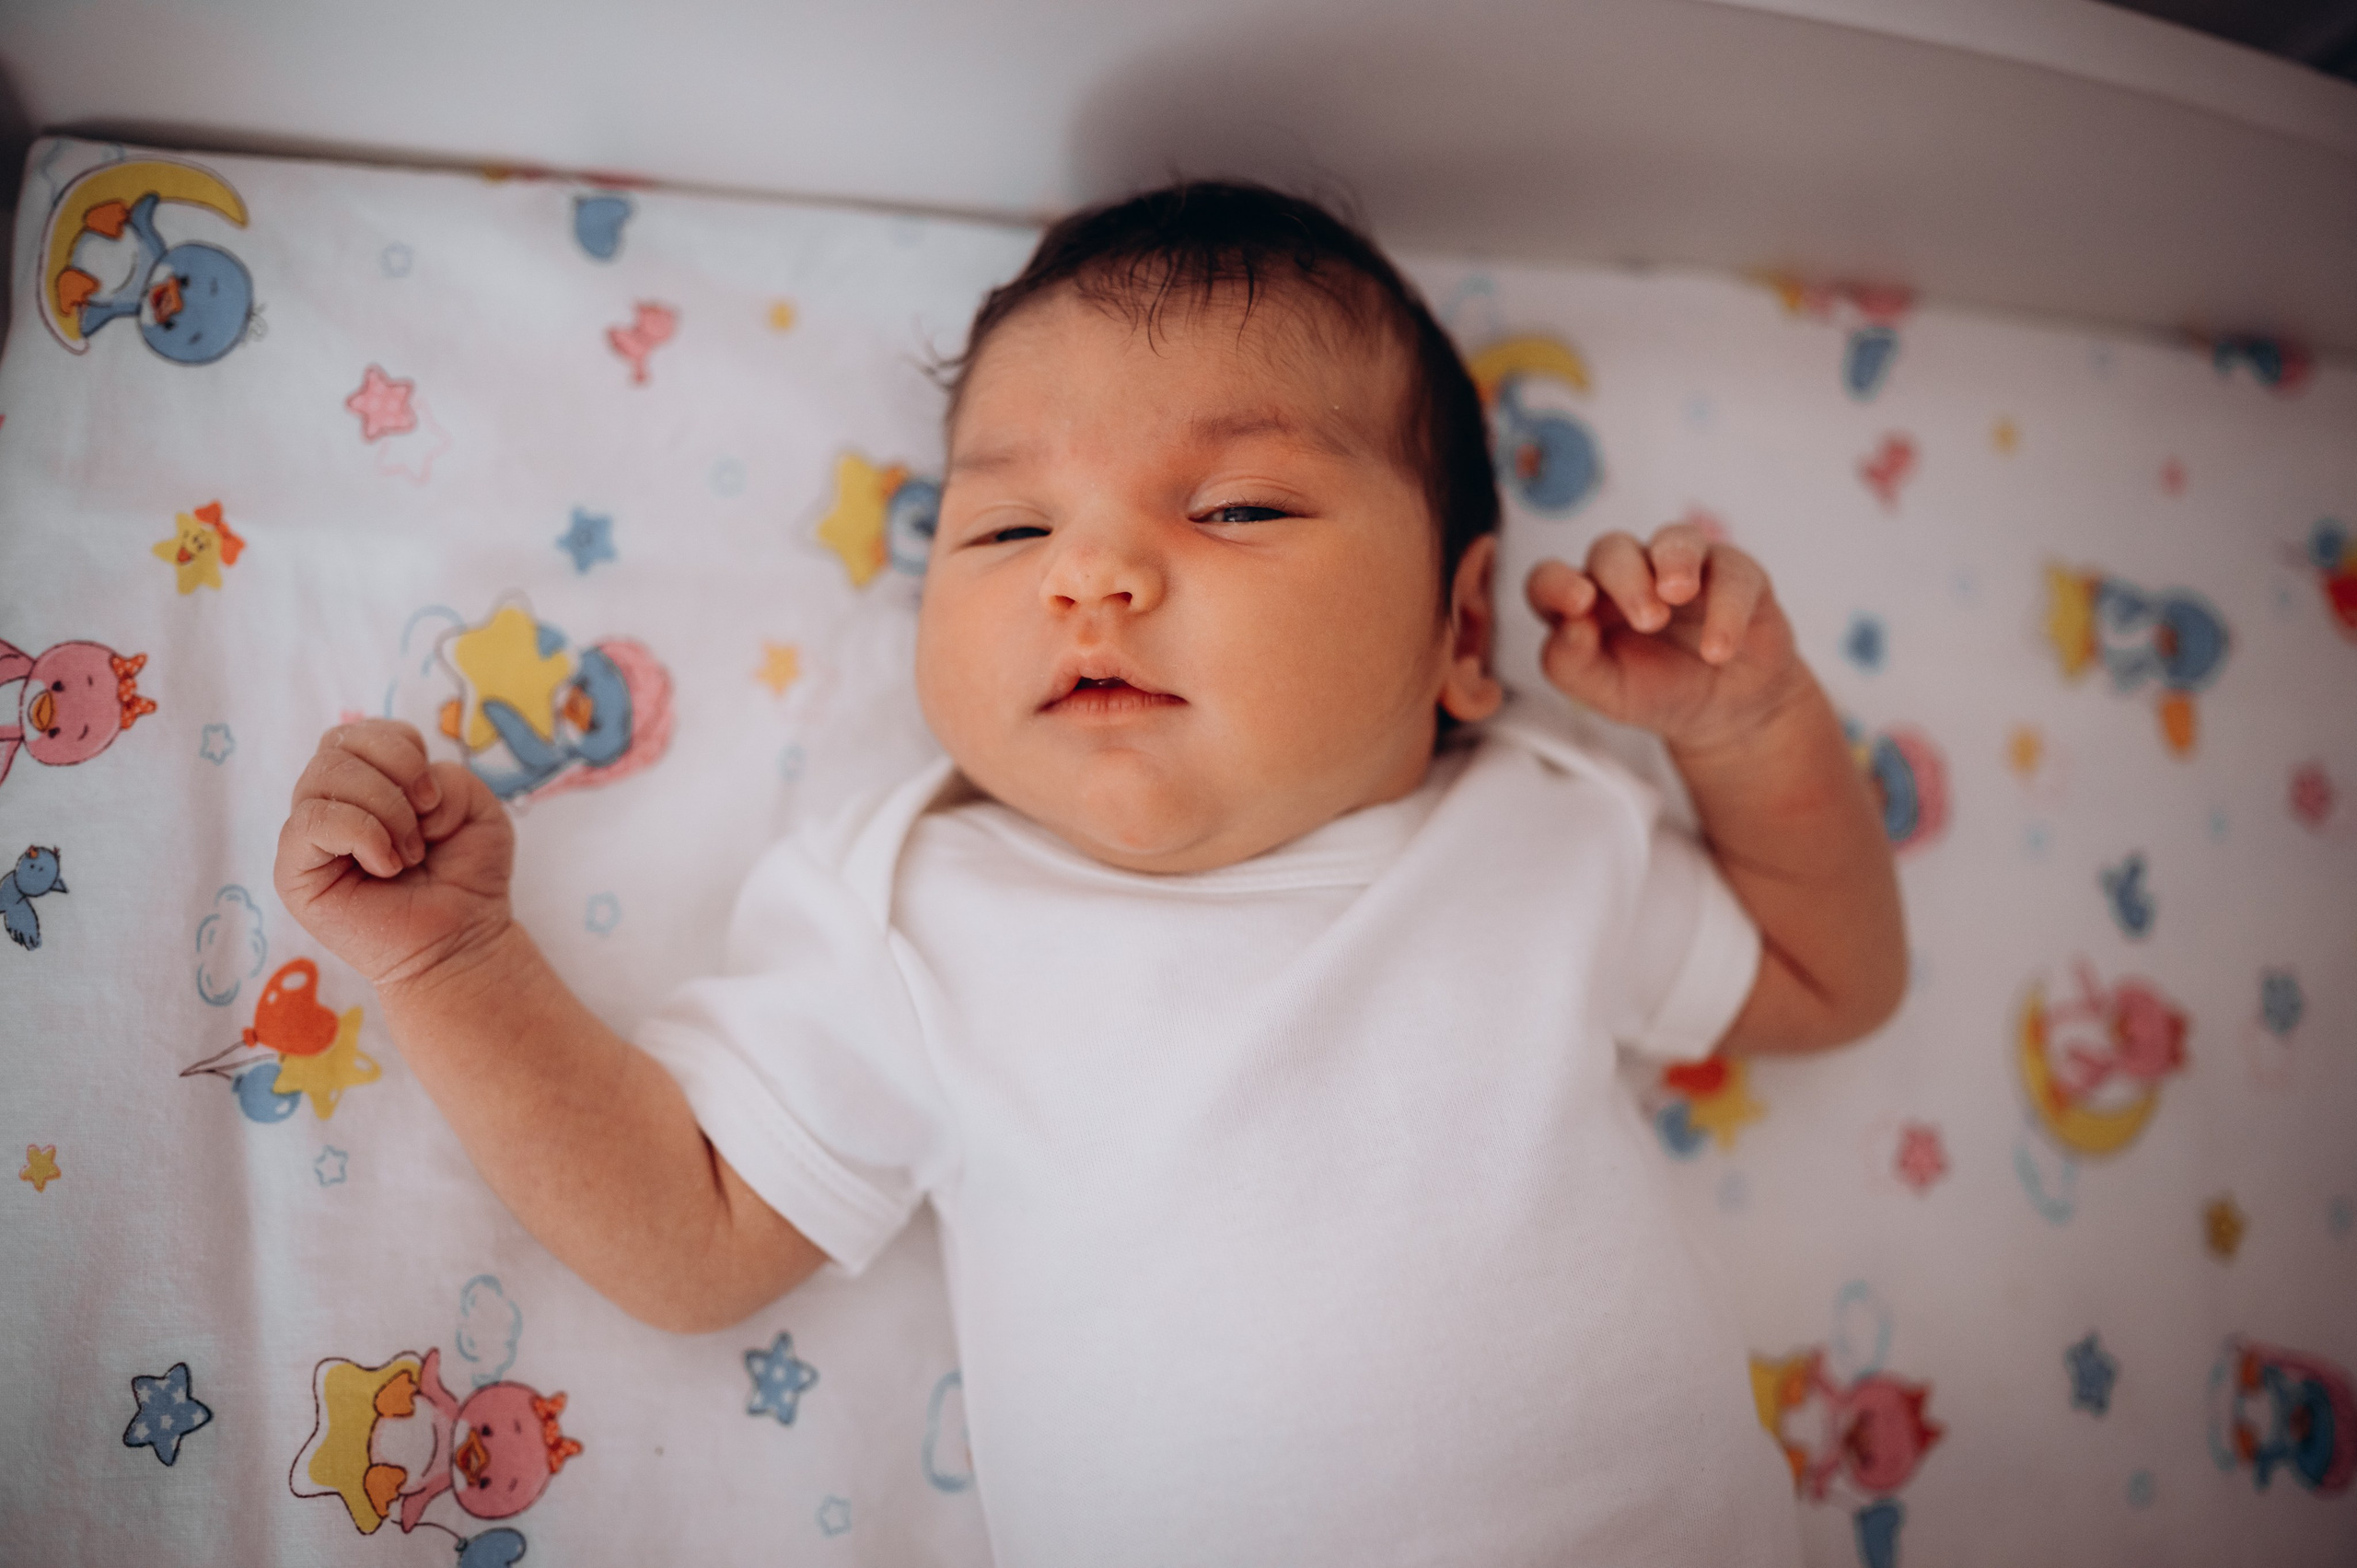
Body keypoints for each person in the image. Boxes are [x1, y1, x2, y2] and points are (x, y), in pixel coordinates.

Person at [274, 182, 1905, 1564]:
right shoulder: (921, 911)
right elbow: (687, 1236)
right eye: (1004, 533)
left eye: (1239, 504)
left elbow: (1834, 983)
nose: (1096, 574)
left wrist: (1747, 722)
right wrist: (454, 965)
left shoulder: (1545, 829)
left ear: (1462, 632)